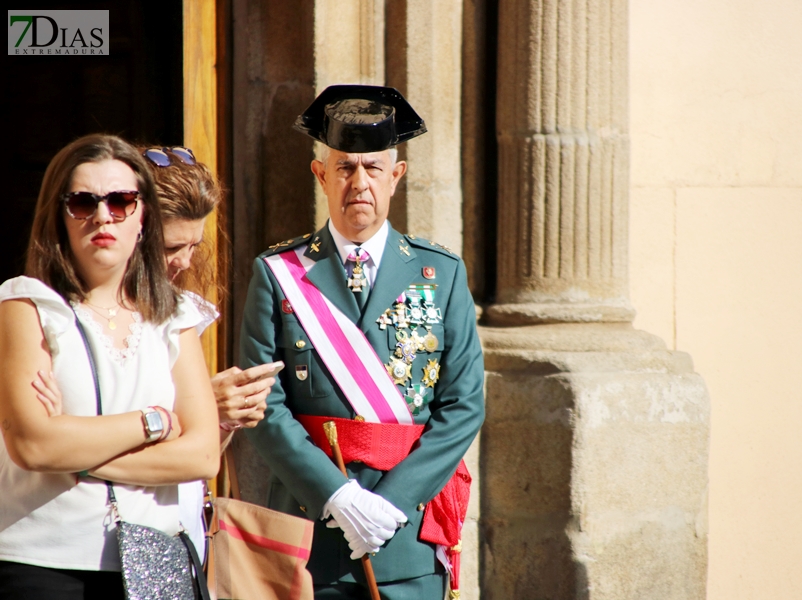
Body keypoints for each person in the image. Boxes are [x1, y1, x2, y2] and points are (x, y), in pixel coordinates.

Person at [239, 85, 485, 599]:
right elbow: (261, 405)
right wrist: (336, 496)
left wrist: (392, 502)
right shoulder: (278, 273)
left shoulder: (440, 273)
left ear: (396, 176)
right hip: (310, 530)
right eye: (345, 167)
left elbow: (463, 406)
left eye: (373, 168)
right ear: (320, 174)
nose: (359, 183)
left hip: (408, 536)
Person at [0, 134, 220, 598]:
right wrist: (155, 422)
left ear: (143, 217)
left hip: (156, 559)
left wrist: (77, 447)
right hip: (45, 562)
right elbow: (35, 447)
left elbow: (202, 455)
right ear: (59, 216)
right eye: (83, 201)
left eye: (121, 200)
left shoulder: (175, 316)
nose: (103, 215)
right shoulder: (27, 304)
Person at [139, 145, 279, 561]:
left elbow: (201, 459)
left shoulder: (182, 313)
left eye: (195, 246)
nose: (184, 261)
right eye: (170, 248)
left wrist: (222, 417)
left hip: (180, 536)